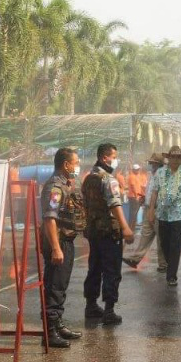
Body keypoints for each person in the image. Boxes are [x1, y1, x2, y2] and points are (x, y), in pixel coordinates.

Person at [83, 143, 135, 325]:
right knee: (112, 270)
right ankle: (109, 310)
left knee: (94, 268)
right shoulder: (108, 179)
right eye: (114, 156)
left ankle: (90, 305)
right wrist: (126, 228)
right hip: (109, 232)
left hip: (94, 231)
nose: (115, 160)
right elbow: (114, 205)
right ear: (105, 157)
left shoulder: (89, 178)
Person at [41, 147, 86, 349]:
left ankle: (57, 324)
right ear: (66, 164)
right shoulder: (55, 187)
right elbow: (50, 219)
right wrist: (56, 249)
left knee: (61, 285)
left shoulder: (66, 184)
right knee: (54, 286)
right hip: (57, 243)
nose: (77, 166)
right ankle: (49, 332)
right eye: (75, 163)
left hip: (66, 241)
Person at [152, 145, 181, 287]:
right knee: (164, 243)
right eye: (174, 157)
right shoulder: (160, 173)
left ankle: (171, 275)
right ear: (168, 158)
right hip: (162, 214)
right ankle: (170, 264)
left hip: (179, 215)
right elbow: (154, 192)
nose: (176, 160)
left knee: (175, 244)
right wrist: (150, 211)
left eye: (179, 157)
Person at [122, 153, 166, 270]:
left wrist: (152, 207)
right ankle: (135, 259)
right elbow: (150, 190)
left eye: (152, 163)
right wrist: (144, 197)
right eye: (150, 163)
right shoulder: (151, 175)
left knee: (161, 237)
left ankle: (163, 264)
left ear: (158, 164)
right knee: (145, 234)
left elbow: (159, 193)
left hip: (158, 209)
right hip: (147, 208)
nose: (150, 165)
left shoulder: (163, 176)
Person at [126, 163, 149, 231]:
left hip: (137, 196)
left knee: (135, 213)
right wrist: (136, 196)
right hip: (133, 197)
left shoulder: (137, 176)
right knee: (133, 213)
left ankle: (133, 227)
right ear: (133, 170)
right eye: (136, 169)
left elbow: (140, 186)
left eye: (138, 169)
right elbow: (133, 187)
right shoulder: (132, 176)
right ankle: (130, 228)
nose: (138, 170)